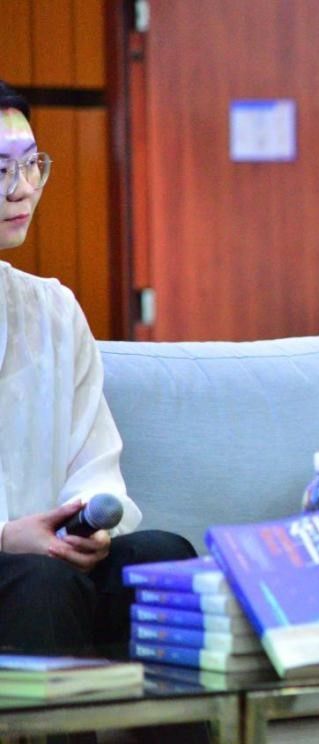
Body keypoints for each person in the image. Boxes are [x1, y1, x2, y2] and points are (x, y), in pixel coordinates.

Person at [0, 80, 197, 661]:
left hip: (49, 560)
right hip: (25, 571)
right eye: (1, 169)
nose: (23, 188)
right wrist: (7, 536)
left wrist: (85, 524)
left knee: (162, 558)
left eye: (31, 164)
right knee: (42, 581)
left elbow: (94, 457)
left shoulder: (52, 309)